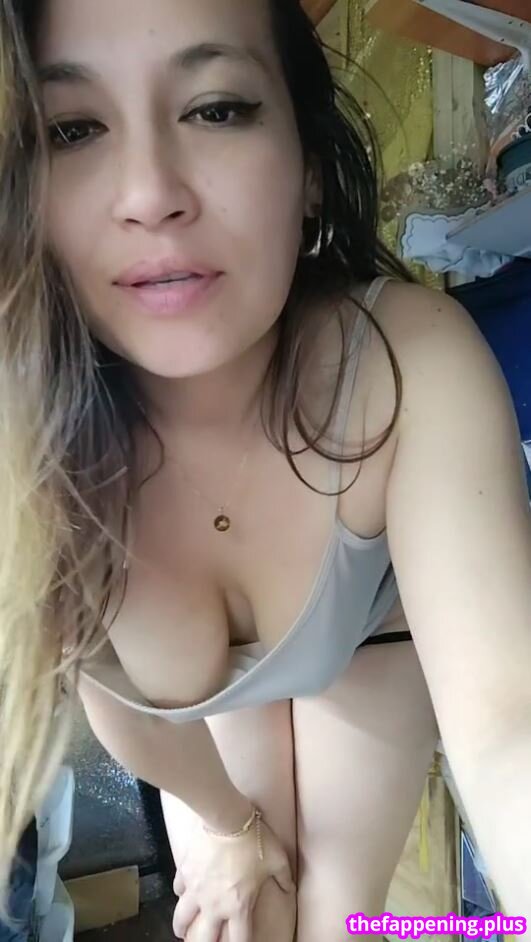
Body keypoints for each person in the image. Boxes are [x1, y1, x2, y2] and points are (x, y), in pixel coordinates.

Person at [0, 0, 530, 940]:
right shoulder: (34, 458)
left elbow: (508, 728)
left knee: (336, 920)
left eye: (216, 109)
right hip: (194, 723)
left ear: (311, 170)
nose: (150, 194)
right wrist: (227, 827)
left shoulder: (407, 363)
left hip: (367, 641)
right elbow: (126, 709)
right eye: (72, 128)